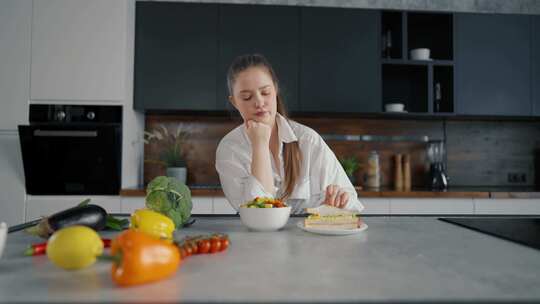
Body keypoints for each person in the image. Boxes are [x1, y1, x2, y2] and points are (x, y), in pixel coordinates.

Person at [215, 54, 363, 214]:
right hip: (256, 239)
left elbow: (353, 204)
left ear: (275, 89)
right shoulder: (230, 149)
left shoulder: (308, 140)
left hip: (309, 238)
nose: (259, 102)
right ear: (234, 102)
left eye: (265, 92)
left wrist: (340, 200)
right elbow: (258, 215)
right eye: (247, 97)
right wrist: (260, 145)